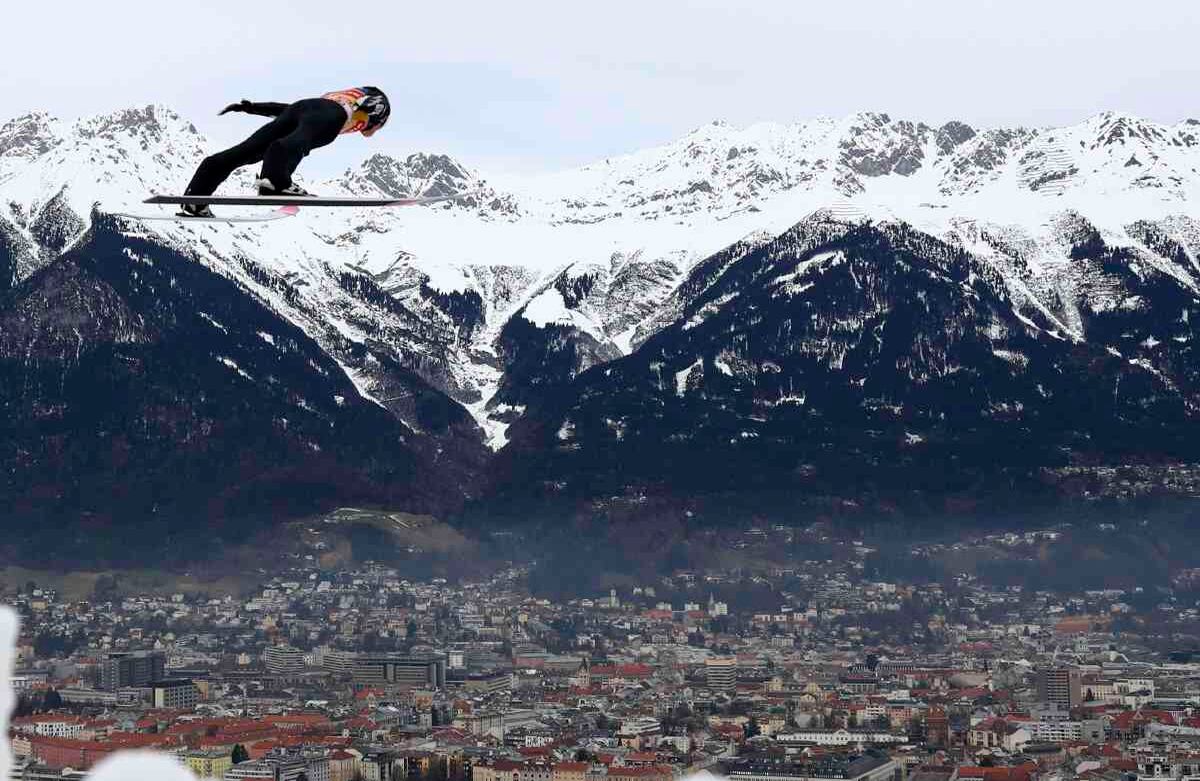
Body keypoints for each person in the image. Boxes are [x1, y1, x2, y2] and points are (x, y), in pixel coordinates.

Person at [179, 86, 390, 217]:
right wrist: (372, 120)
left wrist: (253, 107)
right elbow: (373, 105)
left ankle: (195, 199)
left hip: (300, 108)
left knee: (245, 151)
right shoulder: (371, 103)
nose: (365, 132)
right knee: (296, 143)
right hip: (328, 114)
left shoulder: (334, 98)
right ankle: (275, 183)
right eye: (374, 126)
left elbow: (289, 110)